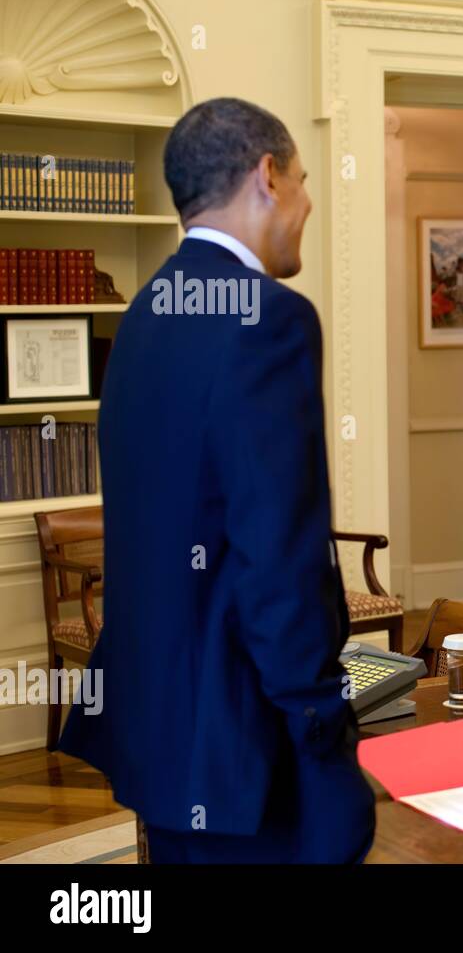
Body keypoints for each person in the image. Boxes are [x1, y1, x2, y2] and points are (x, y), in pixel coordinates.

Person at [57, 97, 375, 862]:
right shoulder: (271, 318)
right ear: (268, 176)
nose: (305, 207)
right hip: (248, 749)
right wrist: (322, 728)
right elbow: (279, 556)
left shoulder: (142, 316)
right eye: (302, 181)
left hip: (159, 735)